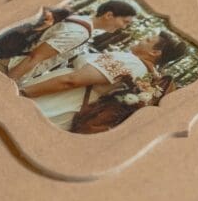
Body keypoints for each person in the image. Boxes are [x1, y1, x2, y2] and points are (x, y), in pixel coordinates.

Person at [21, 31, 187, 130]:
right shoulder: (145, 74)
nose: (141, 40)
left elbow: (71, 80)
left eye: (148, 40)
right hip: (64, 111)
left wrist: (22, 93)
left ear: (155, 53)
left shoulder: (131, 62)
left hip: (48, 105)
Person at [8, 0, 137, 86]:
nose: (124, 27)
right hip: (11, 68)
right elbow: (35, 57)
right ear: (108, 15)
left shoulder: (82, 21)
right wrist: (7, 83)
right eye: (125, 22)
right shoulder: (79, 32)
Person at [0, 7, 71, 62]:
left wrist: (41, 27)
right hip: (8, 42)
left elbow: (26, 35)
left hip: (10, 43)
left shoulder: (48, 24)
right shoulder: (44, 16)